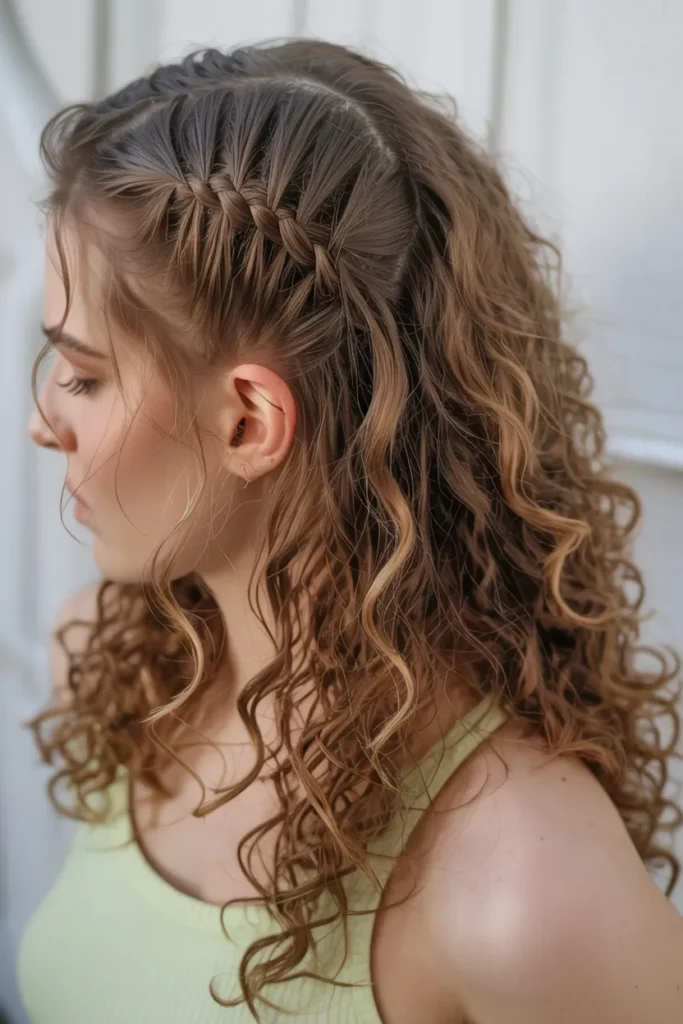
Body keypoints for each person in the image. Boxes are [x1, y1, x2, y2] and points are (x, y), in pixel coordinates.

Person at [17, 38, 683, 1024]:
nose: (42, 421)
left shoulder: (525, 894)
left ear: (249, 421)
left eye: (83, 376)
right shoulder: (113, 668)